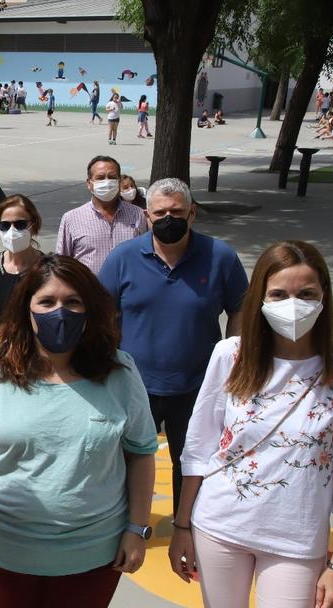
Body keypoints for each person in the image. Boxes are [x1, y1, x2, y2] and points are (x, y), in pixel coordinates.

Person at [168, 240, 333, 608]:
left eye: (307, 294)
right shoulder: (231, 356)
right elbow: (199, 447)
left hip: (296, 541)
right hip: (220, 526)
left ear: (325, 298)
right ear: (259, 298)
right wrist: (182, 525)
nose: (293, 305)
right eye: (279, 294)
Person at [0, 255, 157, 608]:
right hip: (3, 544)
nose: (59, 312)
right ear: (26, 309)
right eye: (46, 302)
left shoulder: (119, 371)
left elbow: (140, 453)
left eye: (73, 302)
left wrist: (137, 529)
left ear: (91, 310)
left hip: (93, 552)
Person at [99, 177, 248, 516]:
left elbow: (241, 307)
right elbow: (100, 312)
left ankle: (190, 525)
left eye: (177, 211)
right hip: (134, 386)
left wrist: (234, 358)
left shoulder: (220, 257)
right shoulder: (123, 258)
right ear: (147, 217)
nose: (168, 218)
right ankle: (124, 521)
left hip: (198, 386)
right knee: (127, 460)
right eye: (160, 212)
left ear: (192, 213)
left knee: (193, 463)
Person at [56, 156, 146, 275]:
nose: (107, 182)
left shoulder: (137, 214)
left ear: (119, 182)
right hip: (88, 292)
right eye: (100, 177)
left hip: (127, 291)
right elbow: (61, 264)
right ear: (89, 183)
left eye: (112, 177)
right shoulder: (71, 218)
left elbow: (145, 256)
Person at [0, 195, 44, 341]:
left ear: (33, 225)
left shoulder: (45, 270)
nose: (12, 231)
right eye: (5, 225)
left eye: (20, 224)